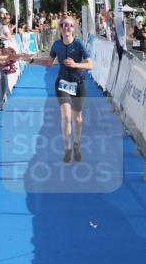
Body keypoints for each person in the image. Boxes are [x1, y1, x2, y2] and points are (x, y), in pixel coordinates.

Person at [21, 15, 93, 163]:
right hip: (62, 83)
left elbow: (90, 65)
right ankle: (67, 149)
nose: (67, 28)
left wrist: (76, 65)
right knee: (66, 116)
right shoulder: (56, 45)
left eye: (70, 25)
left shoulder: (79, 45)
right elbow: (49, 63)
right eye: (64, 25)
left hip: (78, 83)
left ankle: (77, 144)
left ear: (74, 29)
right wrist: (32, 60)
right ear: (60, 28)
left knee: (77, 118)